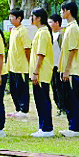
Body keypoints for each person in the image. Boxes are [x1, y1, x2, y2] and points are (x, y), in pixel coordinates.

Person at [29, 8, 56, 138]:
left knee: (43, 99)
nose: (31, 18)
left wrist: (36, 72)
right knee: (39, 100)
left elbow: (41, 54)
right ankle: (42, 126)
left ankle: (47, 128)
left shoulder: (44, 33)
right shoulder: (40, 32)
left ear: (39, 18)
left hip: (42, 72)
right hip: (39, 72)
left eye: (32, 16)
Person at [58, 1, 79, 136]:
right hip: (68, 70)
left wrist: (67, 70)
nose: (61, 12)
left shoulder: (73, 27)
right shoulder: (69, 27)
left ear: (68, 11)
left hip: (73, 71)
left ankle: (74, 128)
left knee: (73, 99)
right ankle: (71, 126)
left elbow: (73, 50)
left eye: (62, 10)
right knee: (68, 99)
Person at [6, 9, 31, 117]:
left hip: (21, 66)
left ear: (19, 18)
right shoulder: (13, 30)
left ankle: (23, 110)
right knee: (13, 89)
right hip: (12, 65)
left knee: (22, 88)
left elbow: (27, 48)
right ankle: (17, 109)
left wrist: (29, 62)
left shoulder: (22, 30)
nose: (10, 19)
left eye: (12, 17)